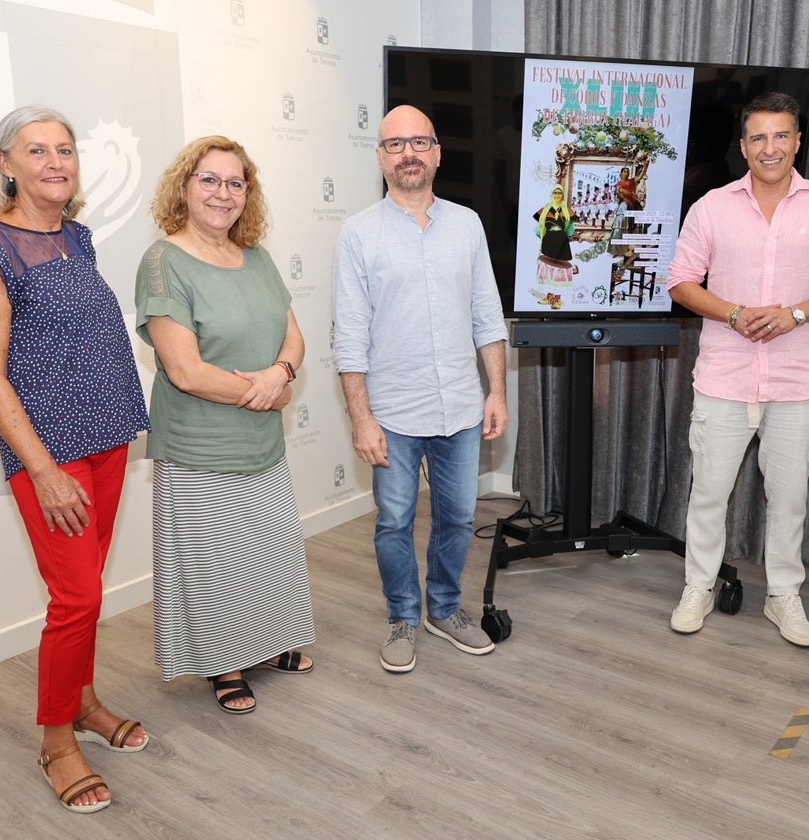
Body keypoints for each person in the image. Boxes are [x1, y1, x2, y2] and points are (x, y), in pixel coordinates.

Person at [0, 106, 151, 813]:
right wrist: (41, 468)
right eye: (38, 151)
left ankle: (86, 701)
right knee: (79, 597)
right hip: (51, 457)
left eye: (65, 149)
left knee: (85, 586)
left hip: (110, 435)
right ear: (6, 164)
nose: (56, 162)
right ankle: (57, 741)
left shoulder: (76, 238)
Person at [666, 92, 809, 646]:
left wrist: (795, 313)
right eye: (757, 137)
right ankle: (698, 586)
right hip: (724, 379)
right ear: (743, 145)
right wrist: (733, 312)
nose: (769, 147)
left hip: (795, 384)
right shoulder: (711, 207)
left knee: (790, 498)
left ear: (798, 141)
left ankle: (783, 597)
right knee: (708, 493)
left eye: (781, 136)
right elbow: (680, 280)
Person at [135, 136, 315, 714]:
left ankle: (266, 643)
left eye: (235, 182)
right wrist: (264, 390)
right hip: (197, 445)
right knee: (214, 562)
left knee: (263, 551)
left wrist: (281, 372)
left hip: (259, 438)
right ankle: (224, 664)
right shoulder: (162, 261)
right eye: (209, 180)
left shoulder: (256, 256)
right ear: (184, 188)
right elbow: (185, 371)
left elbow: (295, 335)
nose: (223, 193)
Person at [331, 105, 509, 673]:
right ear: (381, 157)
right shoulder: (358, 234)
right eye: (395, 144)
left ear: (436, 152)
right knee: (394, 521)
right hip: (393, 412)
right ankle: (403, 616)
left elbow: (487, 315)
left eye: (420, 142)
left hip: (460, 405)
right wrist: (361, 417)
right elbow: (350, 334)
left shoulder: (469, 224)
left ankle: (445, 609)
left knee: (458, 518)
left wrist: (497, 391)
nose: (408, 153)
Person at [533, 184, 578, 286]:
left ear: (562, 195)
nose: (557, 195)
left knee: (561, 266)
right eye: (555, 193)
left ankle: (559, 290)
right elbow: (537, 228)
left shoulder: (566, 210)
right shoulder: (545, 210)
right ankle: (548, 289)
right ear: (551, 194)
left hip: (562, 241)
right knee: (548, 265)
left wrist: (564, 234)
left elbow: (570, 229)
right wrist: (544, 237)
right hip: (549, 240)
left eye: (559, 193)